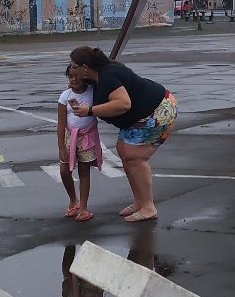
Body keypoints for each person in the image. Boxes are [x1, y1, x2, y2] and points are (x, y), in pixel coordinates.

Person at [67, 46, 177, 222]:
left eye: (73, 66)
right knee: (124, 150)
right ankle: (140, 201)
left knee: (134, 156)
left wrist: (90, 111)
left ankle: (148, 207)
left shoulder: (108, 75)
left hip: (158, 110)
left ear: (85, 68)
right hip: (145, 113)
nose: (70, 69)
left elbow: (123, 103)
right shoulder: (97, 78)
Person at [57, 65, 103, 222]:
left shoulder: (93, 91)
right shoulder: (65, 96)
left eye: (77, 76)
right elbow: (60, 124)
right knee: (64, 170)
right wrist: (61, 147)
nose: (74, 79)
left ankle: (83, 207)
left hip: (88, 136)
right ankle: (73, 200)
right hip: (71, 137)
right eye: (71, 76)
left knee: (84, 171)